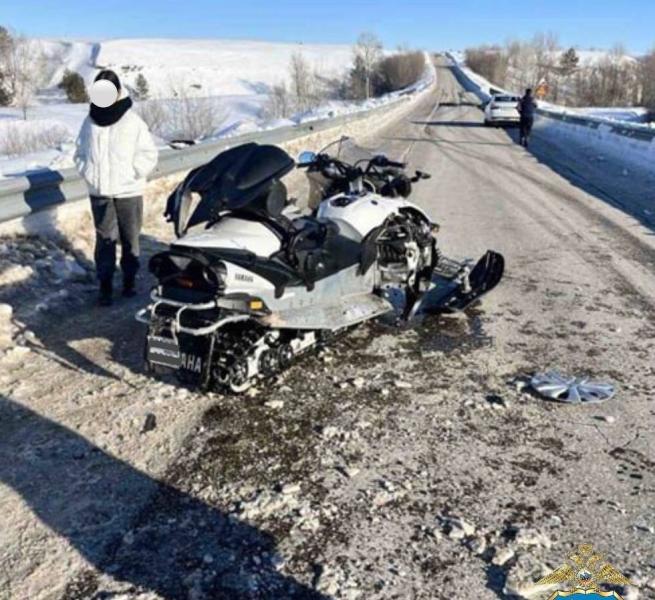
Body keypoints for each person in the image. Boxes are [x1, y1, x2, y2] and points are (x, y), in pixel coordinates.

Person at [74, 70, 158, 306]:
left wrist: (134, 173)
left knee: (130, 239)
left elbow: (149, 154)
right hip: (100, 192)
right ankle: (105, 285)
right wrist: (89, 173)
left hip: (128, 192)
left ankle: (129, 281)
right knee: (104, 240)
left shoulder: (133, 122)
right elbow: (79, 153)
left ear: (118, 92)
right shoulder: (89, 122)